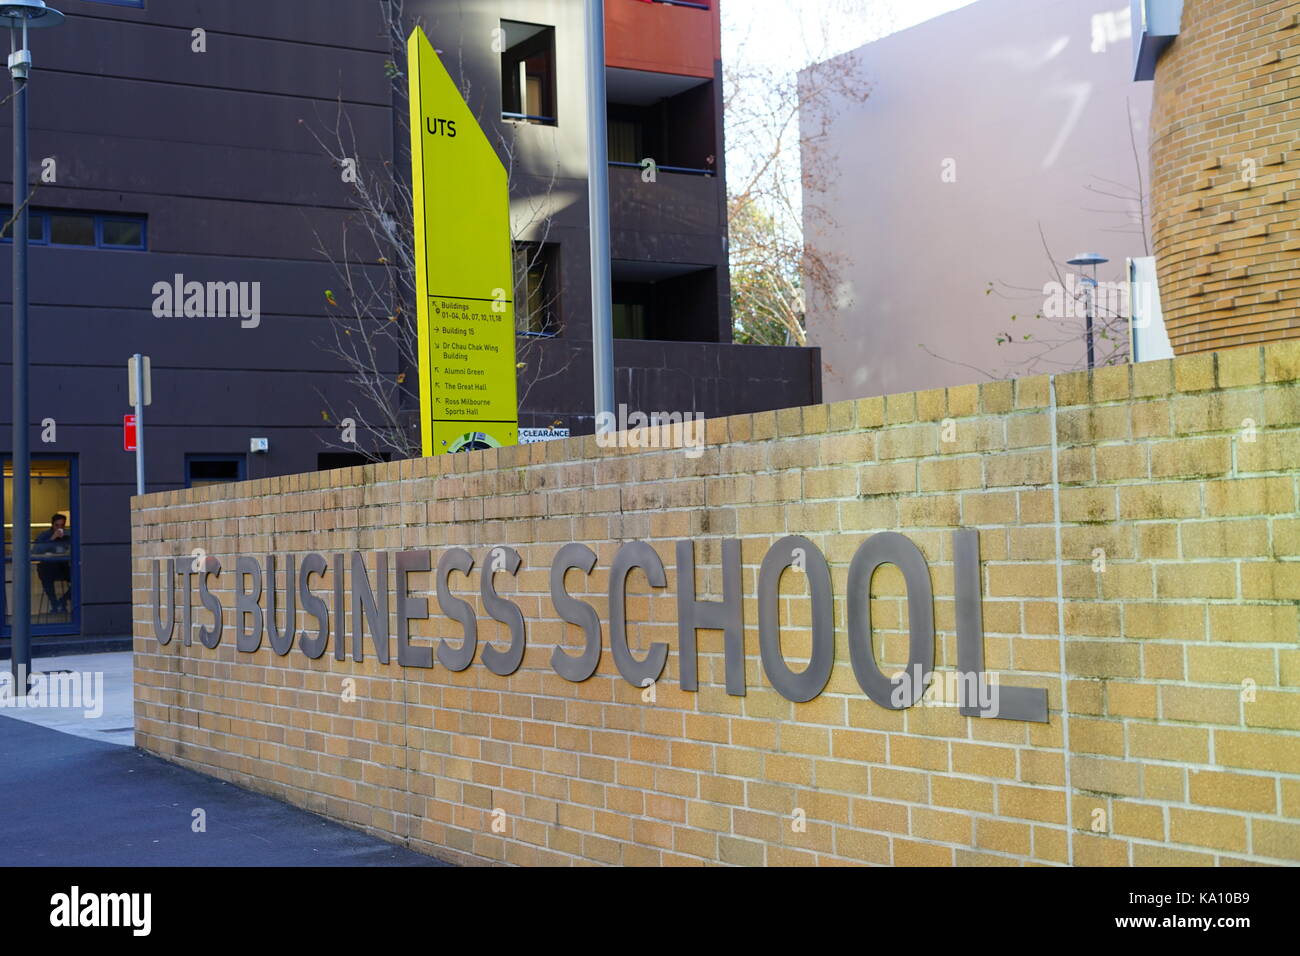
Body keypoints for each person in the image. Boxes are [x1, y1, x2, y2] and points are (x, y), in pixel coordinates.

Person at [33, 513, 72, 614]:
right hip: (48, 567)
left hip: (63, 566)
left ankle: (62, 601)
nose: (59, 528)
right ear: (52, 525)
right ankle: (55, 604)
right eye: (57, 525)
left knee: (79, 579)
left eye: (62, 525)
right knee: (46, 576)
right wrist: (52, 539)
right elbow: (36, 550)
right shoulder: (44, 535)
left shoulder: (68, 535)